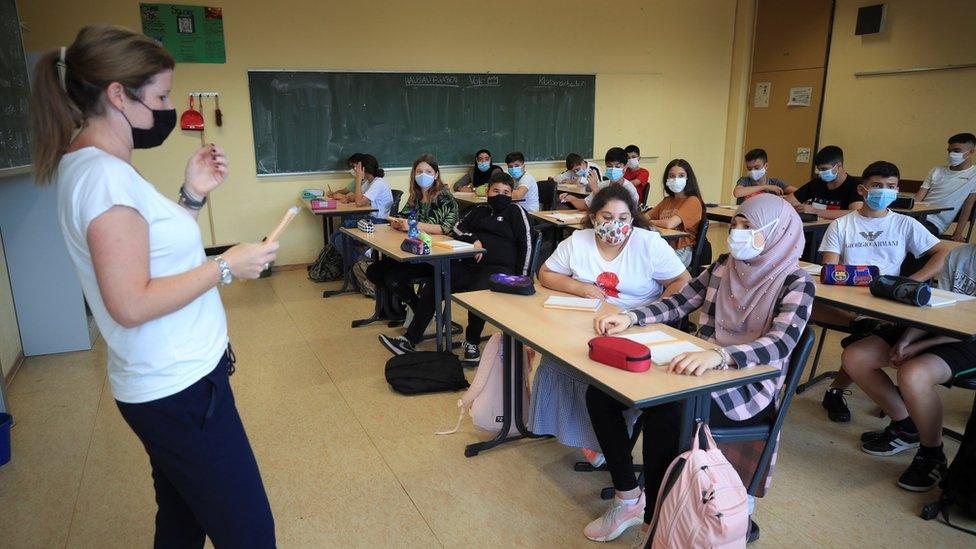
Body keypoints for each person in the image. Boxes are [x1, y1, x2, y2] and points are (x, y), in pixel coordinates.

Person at [32, 25, 277, 546]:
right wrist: (226, 266)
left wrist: (190, 196)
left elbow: (145, 252)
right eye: (162, 96)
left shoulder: (99, 167)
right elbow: (130, 301)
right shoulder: (104, 177)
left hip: (172, 380)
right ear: (118, 95)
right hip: (178, 389)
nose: (167, 108)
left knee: (183, 519)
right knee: (251, 533)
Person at [584, 194, 814, 545]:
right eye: (735, 225)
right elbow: (680, 301)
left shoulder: (795, 282)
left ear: (777, 232)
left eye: (748, 227)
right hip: (698, 364)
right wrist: (631, 317)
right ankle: (628, 497)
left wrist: (720, 356)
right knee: (601, 393)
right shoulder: (724, 265)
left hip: (747, 382)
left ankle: (654, 526)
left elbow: (781, 344)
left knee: (667, 413)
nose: (736, 233)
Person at [529, 185, 690, 468]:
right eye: (606, 217)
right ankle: (587, 435)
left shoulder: (648, 244)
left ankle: (606, 440)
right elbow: (546, 273)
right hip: (589, 321)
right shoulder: (578, 242)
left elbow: (682, 281)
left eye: (623, 218)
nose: (615, 225)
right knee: (559, 358)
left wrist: (651, 312)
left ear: (632, 219)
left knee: (604, 377)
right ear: (592, 218)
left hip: (636, 325)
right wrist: (580, 288)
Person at [817, 161, 948, 423]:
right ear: (863, 190)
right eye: (878, 186)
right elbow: (829, 269)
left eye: (890, 187)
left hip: (889, 300)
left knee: (871, 331)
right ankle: (843, 381)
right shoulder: (842, 225)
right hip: (847, 298)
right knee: (816, 306)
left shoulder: (904, 224)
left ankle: (837, 388)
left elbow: (941, 252)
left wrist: (911, 281)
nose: (884, 191)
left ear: (897, 190)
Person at [842, 243, 976, 492]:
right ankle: (907, 427)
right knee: (856, 356)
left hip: (969, 341)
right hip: (939, 327)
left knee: (913, 375)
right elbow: (940, 307)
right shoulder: (960, 255)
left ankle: (932, 453)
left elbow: (970, 328)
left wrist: (917, 345)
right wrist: (906, 340)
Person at [379, 171, 533, 362]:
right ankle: (409, 340)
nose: (500, 195)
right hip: (469, 264)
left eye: (506, 192)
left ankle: (472, 342)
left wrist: (523, 278)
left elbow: (527, 243)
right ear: (487, 193)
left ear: (511, 195)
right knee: (436, 283)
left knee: (478, 294)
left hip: (499, 270)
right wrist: (474, 240)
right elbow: (458, 227)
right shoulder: (479, 210)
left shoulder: (516, 212)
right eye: (496, 190)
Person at [366, 154, 459, 314]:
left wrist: (414, 225)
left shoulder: (444, 197)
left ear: (436, 174)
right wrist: (397, 222)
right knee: (374, 271)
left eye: (428, 172)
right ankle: (415, 308)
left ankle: (422, 312)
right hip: (413, 250)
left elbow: (446, 228)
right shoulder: (415, 196)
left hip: (435, 255)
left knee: (393, 278)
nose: (423, 175)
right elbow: (403, 216)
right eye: (419, 171)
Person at [329, 153, 394, 258]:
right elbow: (357, 197)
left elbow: (359, 202)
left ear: (363, 169)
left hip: (379, 222)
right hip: (369, 219)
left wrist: (358, 179)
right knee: (334, 237)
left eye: (357, 168)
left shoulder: (378, 183)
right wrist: (344, 197)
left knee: (341, 238)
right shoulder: (369, 182)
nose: (355, 170)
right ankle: (359, 260)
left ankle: (358, 264)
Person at [915, 132, 976, 239]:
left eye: (956, 151)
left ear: (971, 152)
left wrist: (958, 233)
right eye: (949, 151)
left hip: (934, 224)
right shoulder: (936, 170)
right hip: (915, 217)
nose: (951, 154)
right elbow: (918, 198)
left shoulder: (974, 175)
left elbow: (968, 206)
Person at [647, 159, 705, 266]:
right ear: (667, 179)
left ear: (688, 178)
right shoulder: (667, 200)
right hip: (664, 246)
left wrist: (651, 222)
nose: (676, 179)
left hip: (681, 249)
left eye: (681, 175)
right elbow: (645, 217)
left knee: (651, 269)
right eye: (672, 176)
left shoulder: (693, 201)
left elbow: (670, 224)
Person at [785, 145, 864, 219]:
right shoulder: (816, 183)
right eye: (819, 170)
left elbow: (855, 213)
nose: (820, 173)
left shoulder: (854, 185)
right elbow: (789, 201)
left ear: (839, 166)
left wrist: (816, 211)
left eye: (824, 169)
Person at [559, 147, 640, 212]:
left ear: (625, 168)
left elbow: (612, 211)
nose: (612, 169)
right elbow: (585, 204)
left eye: (617, 166)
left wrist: (596, 189)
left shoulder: (629, 189)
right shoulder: (602, 185)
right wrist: (571, 198)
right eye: (609, 166)